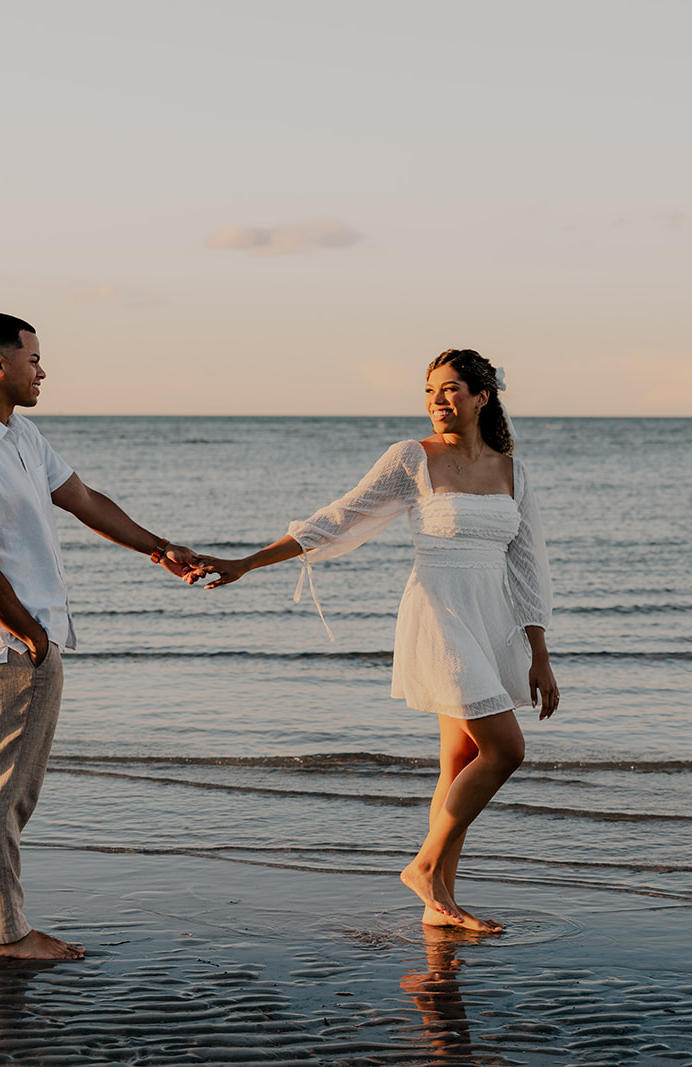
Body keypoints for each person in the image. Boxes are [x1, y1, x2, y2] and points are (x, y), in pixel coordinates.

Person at [190, 349, 557, 932]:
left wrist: (539, 652)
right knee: (506, 751)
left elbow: (527, 565)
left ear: (483, 397)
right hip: (439, 616)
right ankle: (424, 866)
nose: (439, 400)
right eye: (431, 390)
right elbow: (339, 518)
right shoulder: (411, 458)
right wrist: (247, 562)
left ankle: (440, 903)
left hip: (494, 622)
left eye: (453, 388)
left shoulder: (512, 469)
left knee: (460, 759)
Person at [0, 312, 200, 960]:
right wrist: (30, 637)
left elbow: (84, 498)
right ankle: (7, 934)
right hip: (8, 643)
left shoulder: (19, 435)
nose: (43, 370)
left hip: (26, 636)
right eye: (33, 357)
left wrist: (158, 549)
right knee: (9, 794)